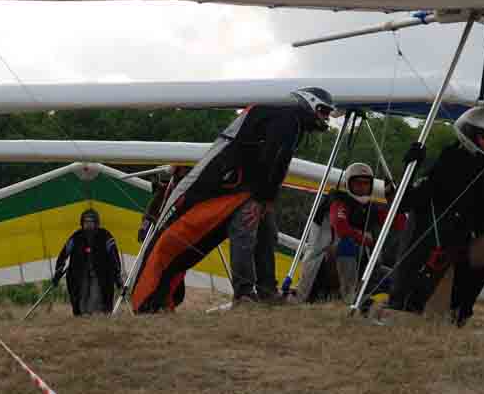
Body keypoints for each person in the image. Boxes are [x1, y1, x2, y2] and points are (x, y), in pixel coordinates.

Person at [131, 87, 335, 312]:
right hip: (230, 185)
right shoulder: (285, 115)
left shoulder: (289, 121)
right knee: (244, 233)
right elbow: (272, 157)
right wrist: (262, 197)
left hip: (248, 187)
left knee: (267, 233)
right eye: (323, 111)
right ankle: (244, 294)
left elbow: (277, 161)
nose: (325, 118)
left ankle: (267, 290)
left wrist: (266, 198)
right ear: (309, 102)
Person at [384, 104, 484, 332]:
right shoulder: (449, 162)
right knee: (436, 327)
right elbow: (404, 203)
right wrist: (411, 168)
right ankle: (446, 311)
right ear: (471, 138)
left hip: (472, 248)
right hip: (442, 252)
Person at [293, 163, 404, 304]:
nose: (362, 188)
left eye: (366, 184)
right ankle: (349, 298)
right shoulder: (337, 201)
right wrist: (365, 239)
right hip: (322, 269)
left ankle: (399, 306)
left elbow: (401, 223)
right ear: (347, 184)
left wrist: (391, 197)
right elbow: (341, 228)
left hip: (360, 269)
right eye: (357, 184)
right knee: (347, 244)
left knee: (396, 279)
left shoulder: (371, 208)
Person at [135, 165, 190, 310]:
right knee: (158, 269)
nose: (183, 174)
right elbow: (152, 210)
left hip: (179, 237)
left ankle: (168, 302)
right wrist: (144, 227)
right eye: (181, 171)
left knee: (176, 271)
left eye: (186, 171)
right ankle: (155, 301)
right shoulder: (165, 191)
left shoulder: (189, 189)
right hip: (163, 236)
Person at [53, 208, 123, 316]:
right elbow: (64, 253)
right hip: (80, 274)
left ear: (96, 223)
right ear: (82, 223)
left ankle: (94, 318)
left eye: (91, 222)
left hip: (100, 275)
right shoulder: (76, 237)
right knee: (81, 301)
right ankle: (83, 320)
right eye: (86, 222)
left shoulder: (105, 236)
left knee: (94, 300)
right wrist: (58, 270)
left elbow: (114, 255)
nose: (88, 225)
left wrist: (117, 274)